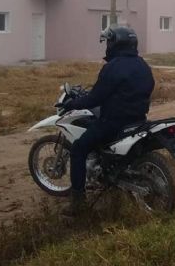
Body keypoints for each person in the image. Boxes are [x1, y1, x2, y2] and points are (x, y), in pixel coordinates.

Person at [58, 24, 155, 216]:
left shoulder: (112, 68)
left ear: (115, 44)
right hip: (137, 119)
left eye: (108, 42)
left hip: (113, 122)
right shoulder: (142, 64)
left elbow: (95, 99)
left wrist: (72, 104)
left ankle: (78, 204)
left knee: (78, 149)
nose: (107, 46)